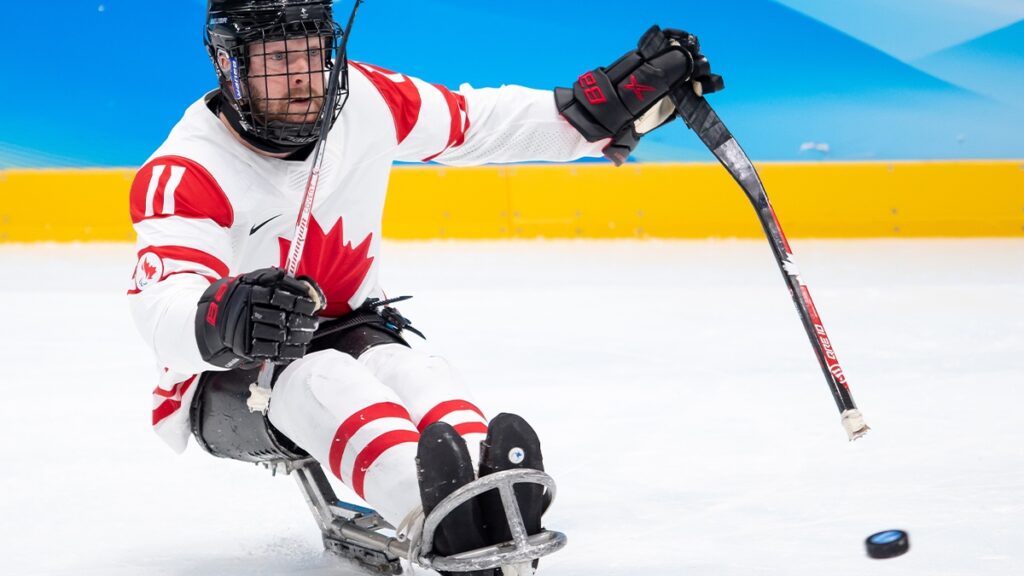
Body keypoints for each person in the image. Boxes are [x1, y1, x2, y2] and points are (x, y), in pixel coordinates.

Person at [127, 0, 721, 571]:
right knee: (322, 378)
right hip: (226, 380)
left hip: (348, 330)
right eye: (279, 60)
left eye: (312, 53)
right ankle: (437, 520)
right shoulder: (186, 171)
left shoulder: (366, 99)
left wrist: (588, 114)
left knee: (415, 370)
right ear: (231, 64)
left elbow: (475, 124)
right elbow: (163, 308)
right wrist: (222, 314)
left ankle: (491, 502)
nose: (304, 77)